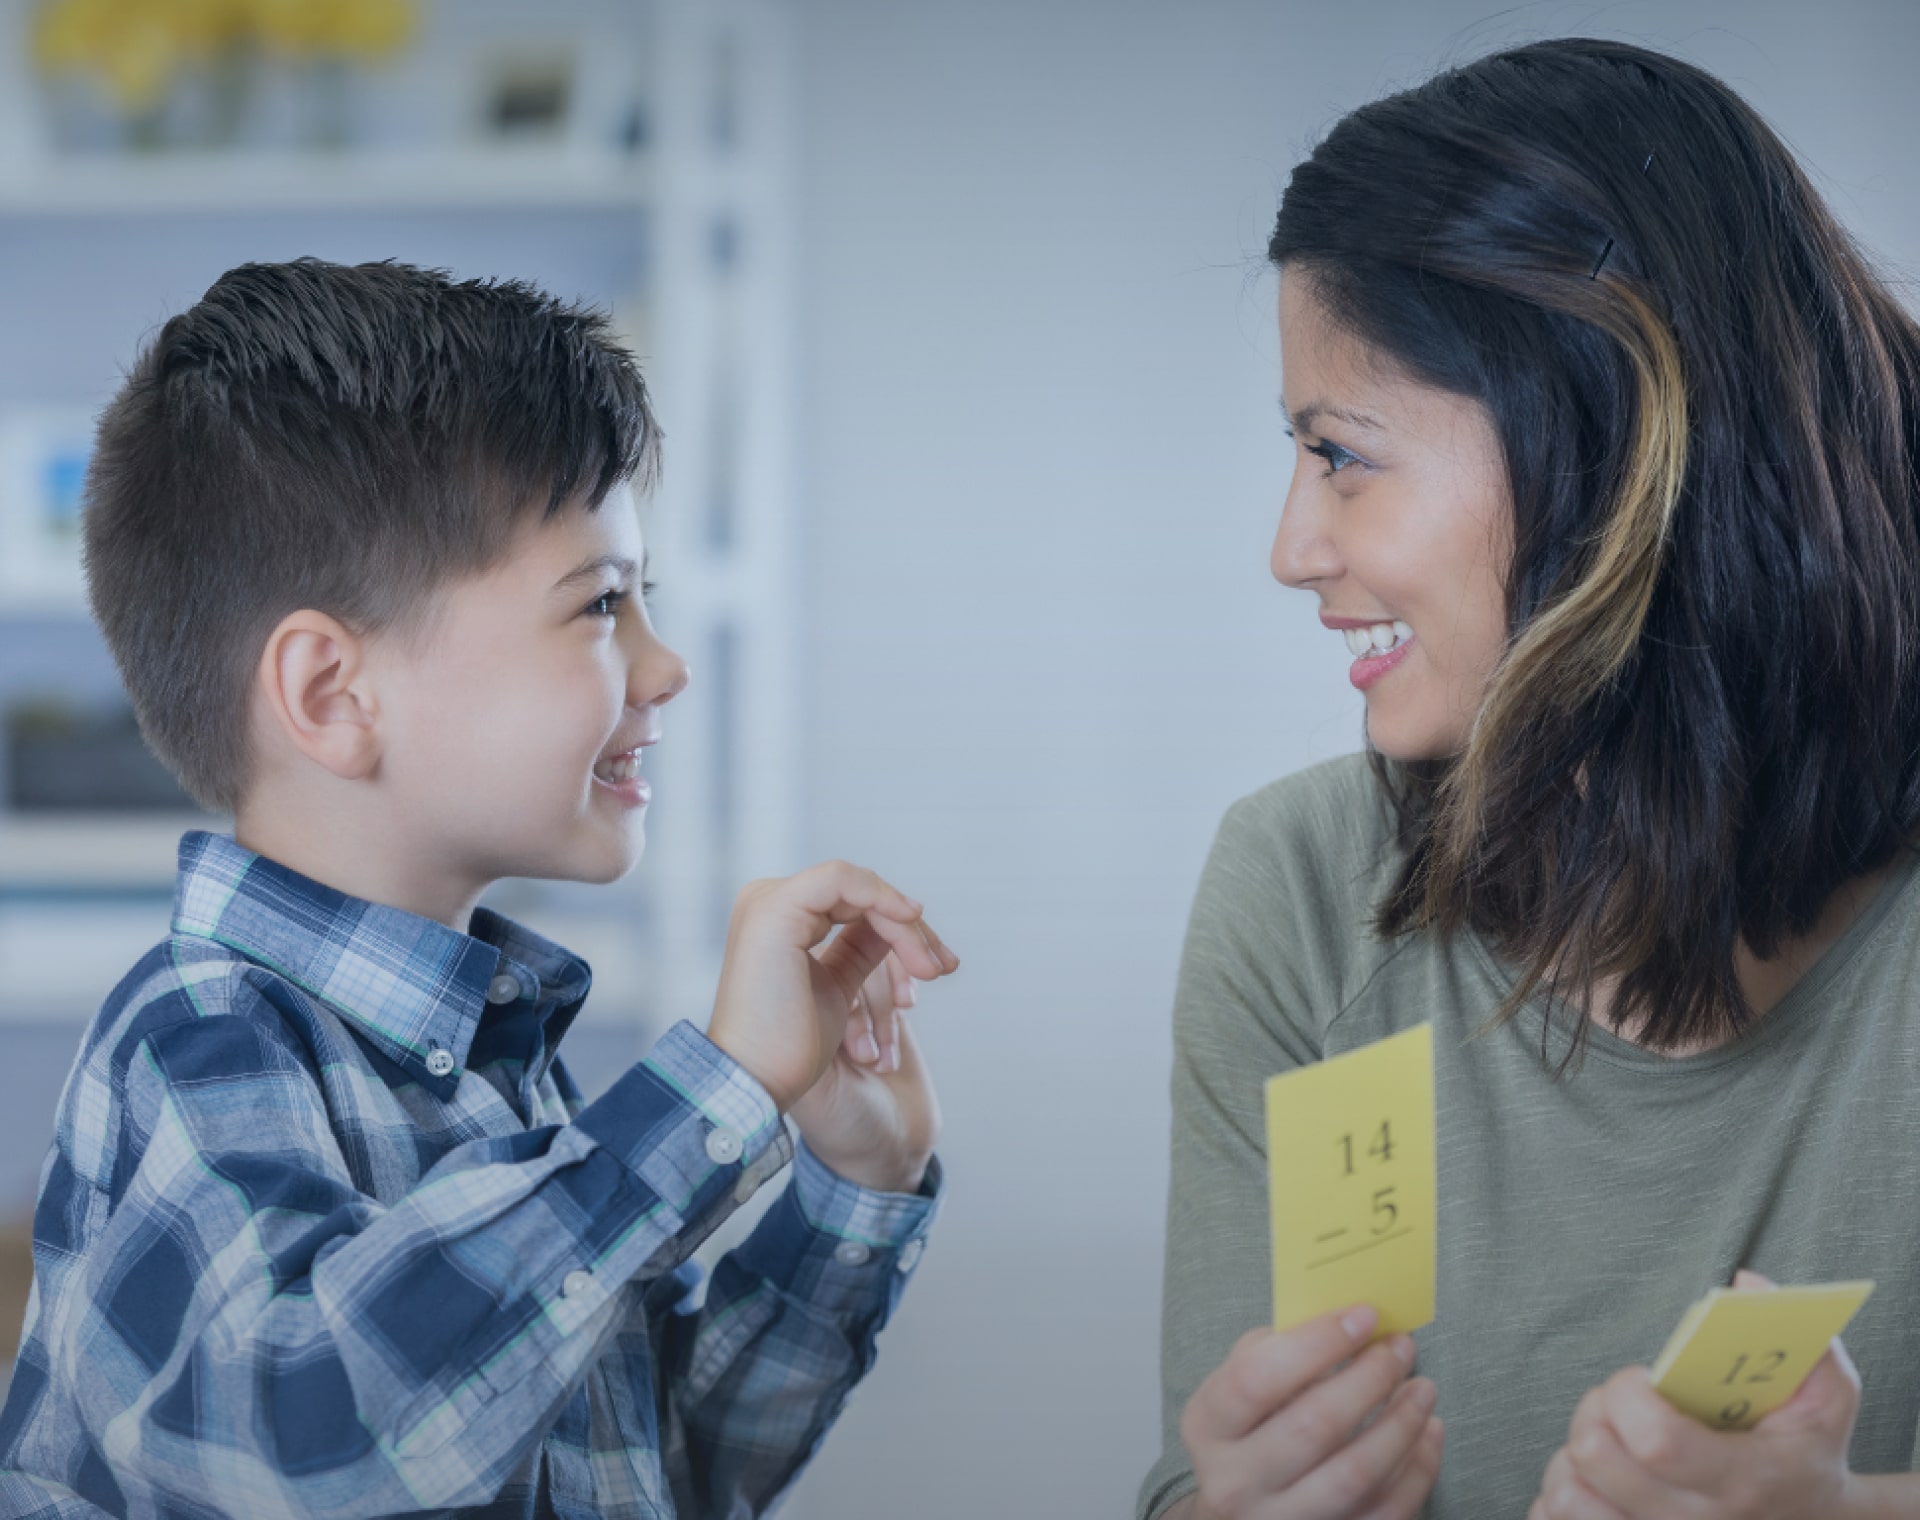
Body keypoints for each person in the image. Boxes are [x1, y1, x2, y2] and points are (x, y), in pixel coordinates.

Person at [0, 258, 959, 1518]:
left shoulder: (504, 1069)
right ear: (334, 696)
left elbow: (655, 1468)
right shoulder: (199, 1042)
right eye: (602, 603)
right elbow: (319, 1432)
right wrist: (717, 1094)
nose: (663, 666)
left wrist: (854, 1185)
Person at [1141, 37, 1920, 1520]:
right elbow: (1197, 1485)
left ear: (1611, 443)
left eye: (1340, 453)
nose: (1292, 548)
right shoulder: (1303, 893)